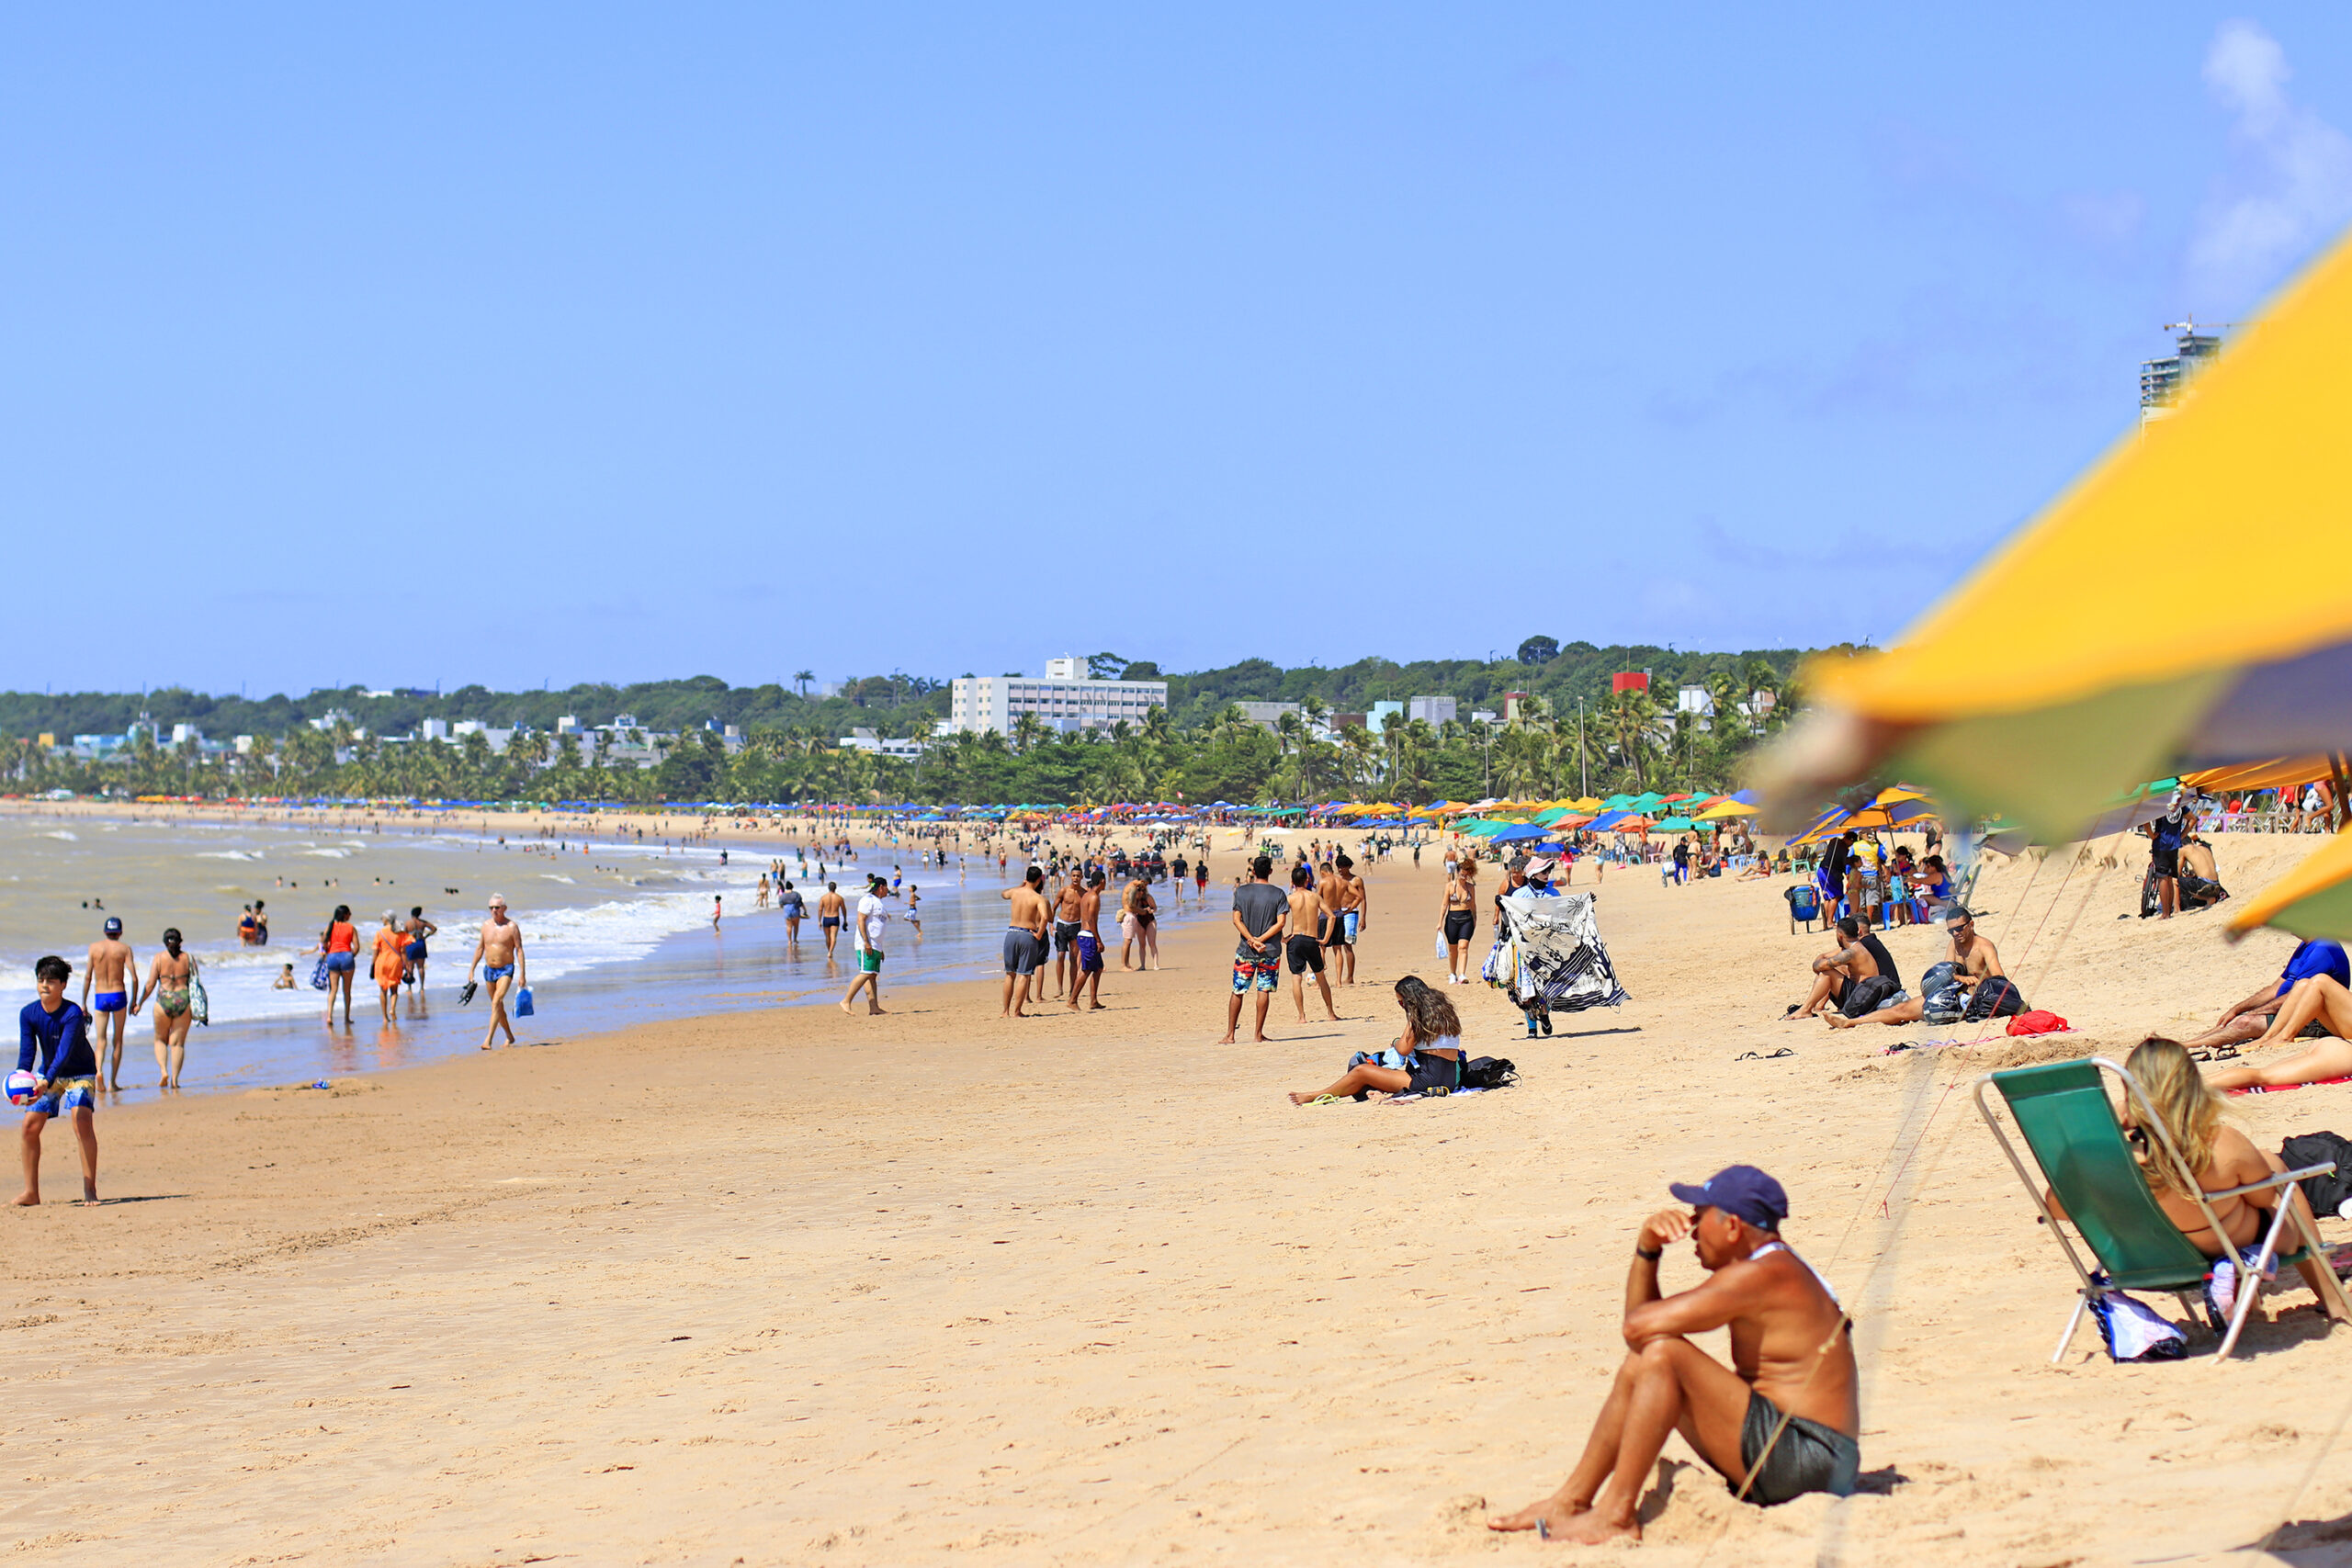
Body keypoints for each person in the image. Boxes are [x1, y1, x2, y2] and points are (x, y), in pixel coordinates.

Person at [1488, 1167, 1858, 1542]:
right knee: (1648, 1358)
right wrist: (1648, 1247)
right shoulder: (1774, 1264)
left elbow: (1637, 1328)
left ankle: (1616, 1514)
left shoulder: (1761, 1274)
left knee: (1664, 1354)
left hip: (1810, 1458)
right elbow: (1640, 1339)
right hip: (1801, 1452)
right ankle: (1571, 1501)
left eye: (1700, 1217)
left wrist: (1648, 1251)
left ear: (1732, 1227)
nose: (1692, 1229)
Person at [2057, 1038, 2351, 1325]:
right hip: (2221, 1247)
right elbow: (2263, 1200)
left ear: (2128, 1093)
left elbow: (2059, 1207)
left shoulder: (2108, 1155)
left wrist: (2109, 1131)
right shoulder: (2220, 1142)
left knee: (2242, 1187)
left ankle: (2245, 1302)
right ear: (2191, 1086)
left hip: (2148, 1260)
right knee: (2277, 1179)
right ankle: (2334, 1302)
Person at [1826, 904, 2021, 1029]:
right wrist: (1959, 978)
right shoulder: (1953, 944)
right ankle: (1851, 1022)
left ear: (1971, 925)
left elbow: (1999, 980)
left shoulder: (1984, 947)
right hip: (1949, 994)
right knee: (1902, 1009)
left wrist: (1975, 982)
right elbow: (1948, 971)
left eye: (1959, 928)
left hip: (1972, 999)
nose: (1955, 934)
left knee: (1907, 1010)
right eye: (1951, 930)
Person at [1289, 976, 1463, 1102]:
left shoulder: (1418, 1014)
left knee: (1361, 1070)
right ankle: (1343, 1092)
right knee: (1371, 1077)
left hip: (1427, 1080)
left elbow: (1403, 1048)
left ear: (1410, 1000)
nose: (1402, 1006)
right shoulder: (1445, 1012)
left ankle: (1317, 1095)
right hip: (1450, 1079)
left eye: (1402, 1002)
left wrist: (1395, 1041)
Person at [17, 955, 101, 1206]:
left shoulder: (72, 1013)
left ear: (63, 985)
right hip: (49, 1072)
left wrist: (46, 1080)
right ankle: (31, 1192)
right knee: (29, 1126)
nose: (45, 985)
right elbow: (27, 1053)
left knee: (81, 1121)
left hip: (80, 1072)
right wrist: (23, 1081)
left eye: (51, 981)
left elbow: (64, 1052)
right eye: (41, 980)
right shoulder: (28, 1013)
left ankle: (90, 1189)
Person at [2184, 939, 2349, 1057]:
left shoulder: (2324, 948)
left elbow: (2295, 998)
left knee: (2244, 1022)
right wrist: (2238, 1009)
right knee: (2236, 1018)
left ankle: (2282, 1036)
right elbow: (2275, 988)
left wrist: (2254, 1013)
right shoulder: (2306, 946)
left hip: (2313, 1018)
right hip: (2293, 1008)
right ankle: (2185, 1044)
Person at [1219, 856, 1288, 1045]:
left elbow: (1236, 919)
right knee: (1263, 990)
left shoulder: (1241, 892)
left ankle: (1230, 1034)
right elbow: (1281, 922)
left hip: (1246, 950)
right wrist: (1260, 939)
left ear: (1253, 871)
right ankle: (1258, 1034)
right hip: (1270, 950)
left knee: (1238, 990)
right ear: (1270, 872)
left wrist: (1251, 939)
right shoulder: (1278, 893)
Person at [1791, 917, 1902, 1021]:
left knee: (1828, 973)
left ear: (1840, 935)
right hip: (1864, 994)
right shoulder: (1857, 947)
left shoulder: (1851, 953)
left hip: (1862, 999)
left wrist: (1817, 965)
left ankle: (1806, 1009)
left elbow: (1820, 966)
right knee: (1833, 970)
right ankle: (1809, 1007)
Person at [134, 929, 198, 1089]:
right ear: (180, 941)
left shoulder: (159, 958)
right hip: (183, 1001)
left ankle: (163, 1071)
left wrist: (139, 1003)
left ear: (164, 942)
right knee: (178, 1044)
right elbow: (196, 982)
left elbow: (150, 985)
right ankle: (175, 1081)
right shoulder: (188, 958)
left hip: (163, 1001)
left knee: (160, 1039)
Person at [81, 917, 136, 1091]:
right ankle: (113, 1083)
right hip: (118, 994)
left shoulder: (94, 948)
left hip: (100, 996)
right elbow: (134, 977)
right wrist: (134, 1001)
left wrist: (83, 1003)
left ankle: (98, 1071)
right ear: (120, 932)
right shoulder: (124, 949)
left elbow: (88, 976)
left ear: (105, 931)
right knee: (117, 1040)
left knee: (101, 1041)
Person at [465, 896, 526, 1050]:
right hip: (489, 970)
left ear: (504, 908)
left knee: (495, 1002)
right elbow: (480, 948)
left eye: (497, 907)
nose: (494, 910)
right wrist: (472, 969)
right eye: (491, 907)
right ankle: (510, 1036)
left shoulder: (512, 927)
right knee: (498, 1007)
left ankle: (488, 1040)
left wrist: (522, 974)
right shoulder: (486, 926)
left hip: (506, 969)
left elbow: (519, 950)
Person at [1285, 863, 1340, 1024]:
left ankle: (1302, 1016)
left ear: (1292, 881)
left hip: (1295, 939)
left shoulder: (1290, 898)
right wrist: (1325, 939)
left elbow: (1278, 919)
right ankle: (1331, 1013)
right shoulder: (1315, 897)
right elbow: (1332, 917)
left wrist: (1282, 938)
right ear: (1307, 879)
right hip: (1311, 939)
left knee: (1297, 978)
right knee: (1321, 978)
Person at [1000, 866, 1051, 1019]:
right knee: (1024, 974)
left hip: (1011, 933)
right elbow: (1045, 917)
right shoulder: (1038, 898)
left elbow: (1004, 894)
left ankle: (1005, 1011)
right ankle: (1017, 1011)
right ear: (1038, 881)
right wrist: (1040, 934)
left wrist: (1020, 886)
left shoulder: (1015, 892)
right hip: (1027, 934)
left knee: (1010, 974)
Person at [842, 874, 888, 1016]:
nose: (888, 890)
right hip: (866, 943)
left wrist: (880, 948)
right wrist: (866, 942)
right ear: (881, 887)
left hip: (876, 944)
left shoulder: (879, 902)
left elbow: (876, 925)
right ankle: (846, 1001)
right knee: (866, 972)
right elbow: (860, 920)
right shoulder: (867, 900)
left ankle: (874, 1007)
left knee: (872, 975)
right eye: (886, 887)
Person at [2143, 794, 2191, 920]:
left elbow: (2145, 820)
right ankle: (2168, 911)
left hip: (2161, 844)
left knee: (2162, 878)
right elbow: (2193, 819)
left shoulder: (2161, 803)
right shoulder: (2180, 804)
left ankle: (2165, 914)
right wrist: (2182, 835)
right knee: (2169, 878)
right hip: (2174, 845)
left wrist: (2152, 835)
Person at [311, 905, 359, 1028]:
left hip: (332, 957)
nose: (350, 915)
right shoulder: (351, 928)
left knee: (333, 990)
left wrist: (327, 953)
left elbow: (323, 943)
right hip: (347, 956)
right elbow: (357, 947)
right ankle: (347, 1018)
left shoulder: (330, 926)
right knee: (347, 991)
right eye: (349, 913)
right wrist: (350, 956)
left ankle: (329, 1017)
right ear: (345, 915)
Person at [1068, 871, 1108, 1012]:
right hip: (1088, 936)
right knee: (1086, 970)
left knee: (1098, 968)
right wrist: (1098, 940)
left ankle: (1094, 1000)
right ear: (1102, 881)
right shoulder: (1094, 897)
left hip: (1084, 934)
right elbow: (1090, 920)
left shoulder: (1086, 895)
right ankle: (1072, 1000)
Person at [1442, 858, 1478, 984]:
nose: (1464, 877)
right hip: (1452, 918)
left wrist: (1475, 919)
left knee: (1463, 947)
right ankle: (1452, 973)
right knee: (1453, 949)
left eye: (1466, 875)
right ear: (1457, 873)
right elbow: (1444, 905)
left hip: (1467, 919)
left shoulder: (1471, 888)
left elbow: (1473, 905)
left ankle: (1462, 974)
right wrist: (1439, 922)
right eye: (1462, 874)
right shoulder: (1450, 886)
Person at [1050, 870, 1085, 1001]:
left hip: (1076, 926)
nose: (1075, 878)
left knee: (1074, 958)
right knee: (1060, 955)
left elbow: (1087, 912)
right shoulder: (1064, 891)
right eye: (1074, 876)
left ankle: (1072, 988)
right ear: (1071, 877)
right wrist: (1050, 925)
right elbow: (1053, 908)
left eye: (1078, 876)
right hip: (1062, 925)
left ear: (1081, 877)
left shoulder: (1084, 894)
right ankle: (1059, 987)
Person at [371, 911, 406, 1023]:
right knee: (394, 989)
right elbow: (403, 950)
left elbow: (375, 951)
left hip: (382, 962)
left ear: (386, 919)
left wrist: (372, 965)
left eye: (382, 918)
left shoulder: (380, 933)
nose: (381, 920)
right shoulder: (398, 931)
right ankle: (392, 1009)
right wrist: (405, 964)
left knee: (383, 989)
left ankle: (385, 1017)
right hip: (395, 962)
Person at [403, 906, 438, 989]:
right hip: (420, 943)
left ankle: (409, 987)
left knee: (410, 967)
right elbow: (434, 929)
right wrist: (426, 936)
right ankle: (422, 987)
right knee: (421, 967)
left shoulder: (408, 923)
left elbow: (404, 935)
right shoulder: (423, 923)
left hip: (411, 944)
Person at [817, 882, 846, 959]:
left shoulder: (823, 897)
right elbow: (843, 909)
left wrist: (819, 921)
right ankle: (830, 951)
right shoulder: (839, 898)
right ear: (835, 888)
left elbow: (820, 909)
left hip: (826, 918)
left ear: (828, 888)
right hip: (835, 918)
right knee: (833, 936)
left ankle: (829, 951)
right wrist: (845, 920)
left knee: (827, 937)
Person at [780, 880, 806, 945]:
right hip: (795, 910)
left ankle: (789, 940)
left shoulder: (783, 895)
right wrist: (805, 910)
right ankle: (795, 939)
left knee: (789, 926)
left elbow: (781, 905)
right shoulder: (796, 894)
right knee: (796, 926)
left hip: (787, 910)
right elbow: (800, 903)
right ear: (792, 887)